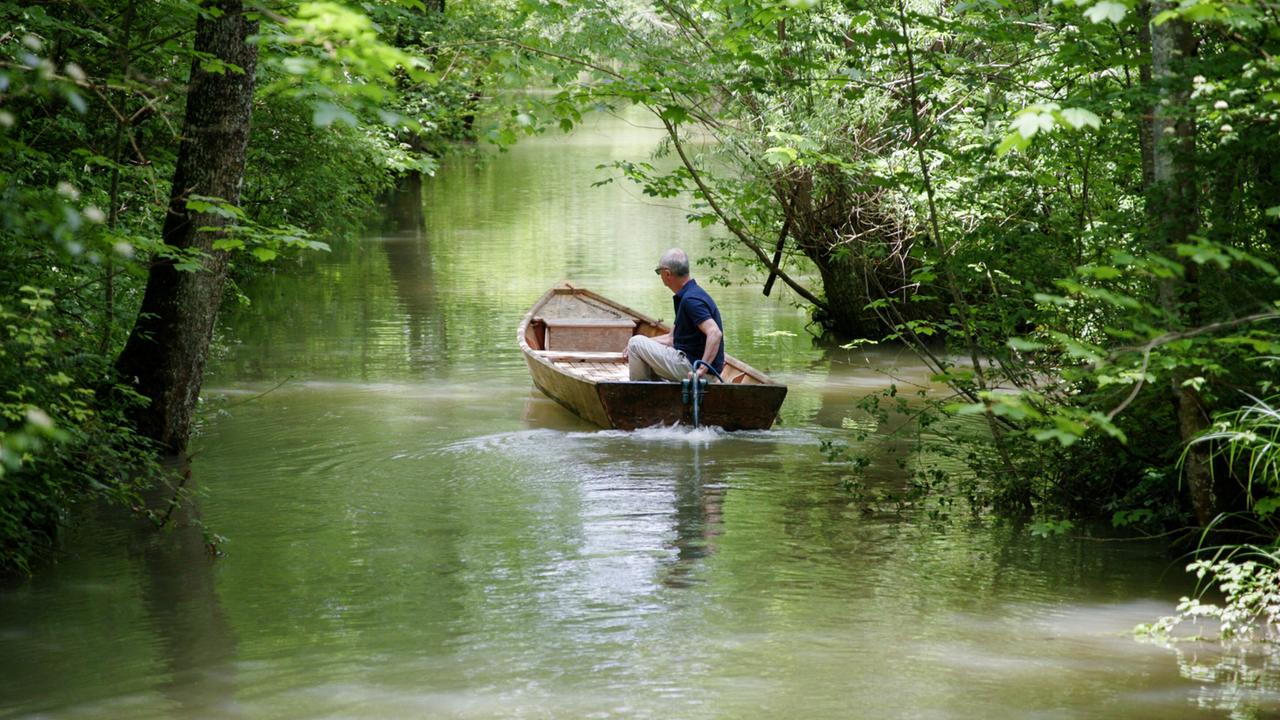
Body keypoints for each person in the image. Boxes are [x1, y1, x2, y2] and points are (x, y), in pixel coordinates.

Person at [624, 248, 725, 382]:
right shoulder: (688, 294)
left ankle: (639, 393)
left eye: (658, 272)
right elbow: (671, 339)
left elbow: (715, 333)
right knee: (637, 345)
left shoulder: (691, 300)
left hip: (695, 370)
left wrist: (701, 370)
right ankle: (653, 389)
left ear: (667, 274)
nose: (659, 275)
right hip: (693, 365)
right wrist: (642, 345)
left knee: (635, 343)